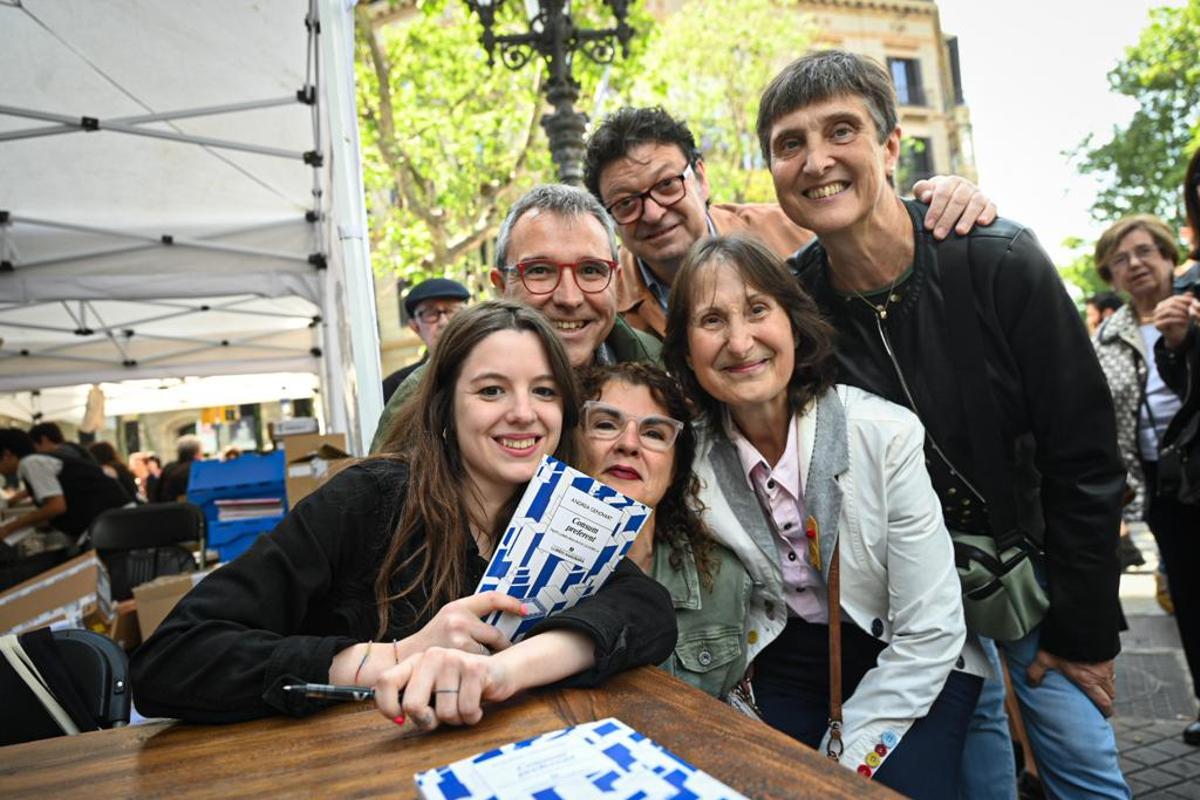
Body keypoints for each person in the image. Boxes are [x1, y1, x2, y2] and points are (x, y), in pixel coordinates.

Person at [762, 50, 1127, 798]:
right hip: (916, 601)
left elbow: (1085, 459)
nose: (816, 160)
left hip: (1037, 574)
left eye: (841, 131)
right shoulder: (792, 305)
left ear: (892, 148)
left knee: (1085, 771)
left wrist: (1085, 631)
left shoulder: (1001, 259)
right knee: (978, 776)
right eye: (790, 143)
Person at [131, 300, 675, 726]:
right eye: (491, 390)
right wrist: (392, 657)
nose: (524, 414)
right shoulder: (368, 498)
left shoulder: (559, 515)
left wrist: (497, 671)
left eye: (544, 391)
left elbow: (644, 610)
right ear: (445, 407)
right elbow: (172, 660)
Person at [662, 235, 982, 797]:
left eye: (758, 310)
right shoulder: (688, 462)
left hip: (910, 657)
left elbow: (931, 631)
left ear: (793, 323)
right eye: (712, 320)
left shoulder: (883, 435)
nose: (740, 342)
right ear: (686, 351)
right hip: (785, 660)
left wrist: (837, 763)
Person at [583, 105, 998, 337]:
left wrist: (944, 198)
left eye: (668, 185)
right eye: (625, 203)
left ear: (702, 177)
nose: (653, 212)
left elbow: (885, 234)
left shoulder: (799, 233)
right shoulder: (601, 302)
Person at [371, 184, 662, 451]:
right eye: (539, 271)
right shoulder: (427, 395)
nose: (569, 298)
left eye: (590, 270)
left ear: (616, 280)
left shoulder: (661, 366)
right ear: (500, 286)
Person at [577, 362, 750, 699]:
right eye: (606, 424)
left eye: (654, 433)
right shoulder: (516, 563)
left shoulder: (723, 578)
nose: (628, 444)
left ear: (675, 470)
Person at [0, 428, 134, 544]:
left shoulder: (30, 463)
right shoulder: (39, 460)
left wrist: (8, 528)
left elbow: (56, 506)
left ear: (7, 454)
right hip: (114, 522)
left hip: (113, 525)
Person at [382, 277, 470, 403]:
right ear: (415, 327)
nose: (443, 322)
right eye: (431, 313)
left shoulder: (490, 369)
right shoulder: (395, 389)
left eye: (452, 311)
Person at [151, 435, 202, 503]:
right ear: (196, 453)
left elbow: (157, 494)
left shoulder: (169, 467)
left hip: (166, 509)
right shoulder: (197, 469)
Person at [28, 422, 94, 463]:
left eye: (35, 445)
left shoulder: (62, 455)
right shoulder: (72, 449)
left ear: (44, 440)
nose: (36, 451)